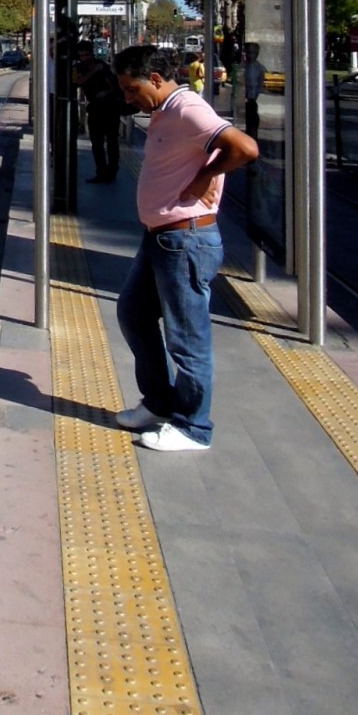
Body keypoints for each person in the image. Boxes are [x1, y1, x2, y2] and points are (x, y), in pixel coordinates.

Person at [111, 45, 258, 452]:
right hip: (160, 236)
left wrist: (204, 177)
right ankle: (159, 403)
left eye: (131, 89)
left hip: (184, 240)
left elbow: (244, 148)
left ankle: (194, 427)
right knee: (134, 314)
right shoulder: (164, 111)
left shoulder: (187, 108)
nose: (128, 98)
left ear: (155, 80)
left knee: (187, 336)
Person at [74, 41, 126, 183]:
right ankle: (101, 171)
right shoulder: (78, 67)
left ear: (92, 53)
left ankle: (112, 171)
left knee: (111, 141)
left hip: (110, 108)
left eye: (87, 54)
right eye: (82, 55)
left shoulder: (103, 66)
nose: (85, 58)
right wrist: (93, 71)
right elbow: (77, 82)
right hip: (95, 108)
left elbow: (113, 86)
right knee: (96, 143)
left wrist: (105, 92)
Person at [243, 42, 265, 139]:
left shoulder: (260, 69)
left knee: (252, 125)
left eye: (252, 53)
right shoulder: (242, 67)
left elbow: (259, 85)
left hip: (252, 101)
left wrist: (252, 97)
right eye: (248, 52)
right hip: (241, 102)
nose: (250, 55)